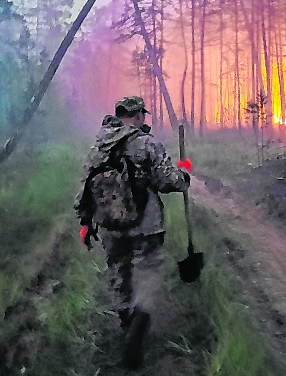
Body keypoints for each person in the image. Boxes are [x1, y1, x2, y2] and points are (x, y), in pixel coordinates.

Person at [74, 95, 191, 369]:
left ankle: (127, 322)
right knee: (148, 273)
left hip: (111, 227)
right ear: (137, 115)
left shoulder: (98, 147)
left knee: (118, 273)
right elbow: (167, 181)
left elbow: (84, 190)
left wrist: (85, 224)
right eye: (143, 115)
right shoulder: (146, 144)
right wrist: (184, 174)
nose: (144, 120)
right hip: (146, 225)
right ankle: (139, 322)